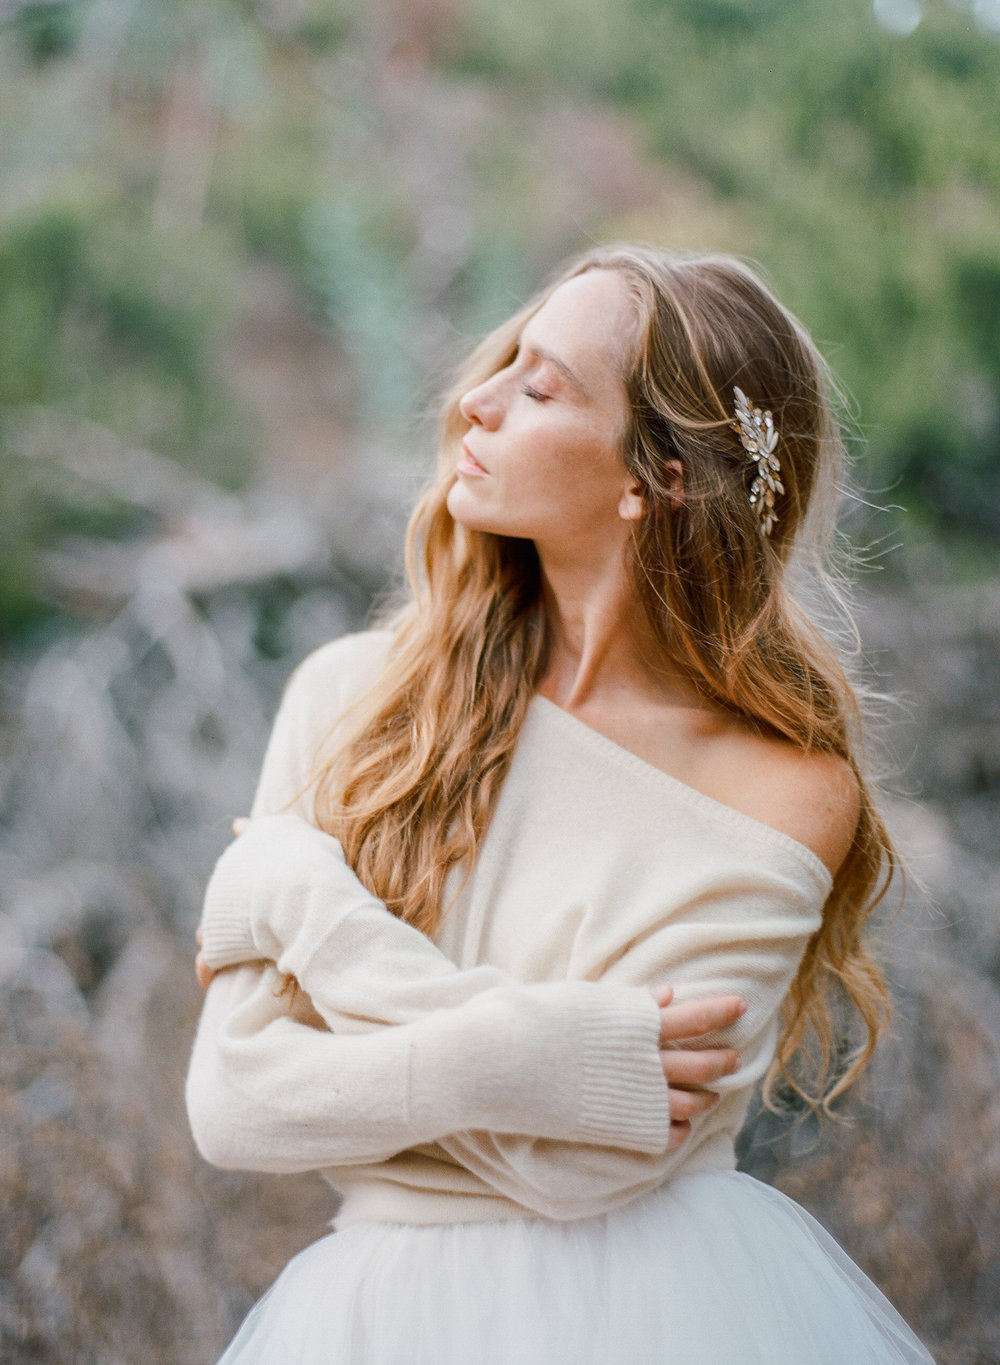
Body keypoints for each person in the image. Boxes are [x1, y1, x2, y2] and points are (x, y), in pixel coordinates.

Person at [186, 245, 935, 1363]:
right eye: (506, 362)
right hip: (366, 1325)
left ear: (661, 477)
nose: (474, 403)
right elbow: (237, 1103)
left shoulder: (785, 788)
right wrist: (542, 1058)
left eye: (539, 389)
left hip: (664, 1312)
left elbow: (590, 1165)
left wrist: (309, 908)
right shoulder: (351, 697)